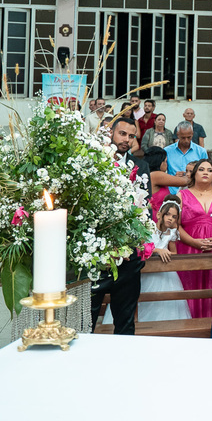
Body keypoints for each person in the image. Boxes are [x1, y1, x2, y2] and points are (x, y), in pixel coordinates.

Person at [89, 117, 148, 334]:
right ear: (111, 133)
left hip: (128, 260)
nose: (127, 140)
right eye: (122, 134)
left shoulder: (142, 166)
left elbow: (145, 208)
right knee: (88, 320)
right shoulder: (94, 161)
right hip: (97, 257)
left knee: (125, 323)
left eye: (131, 136)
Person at [103, 197, 190, 324]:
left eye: (174, 217)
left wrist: (166, 252)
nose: (170, 218)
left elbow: (174, 252)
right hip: (145, 270)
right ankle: (136, 321)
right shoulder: (149, 229)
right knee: (138, 295)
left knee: (163, 303)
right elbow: (140, 248)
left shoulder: (171, 233)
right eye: (167, 214)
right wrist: (158, 250)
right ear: (159, 214)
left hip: (164, 273)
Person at [175, 159, 212, 318]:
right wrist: (193, 242)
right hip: (189, 248)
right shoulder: (182, 195)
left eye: (210, 170)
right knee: (190, 287)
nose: (206, 172)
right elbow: (175, 225)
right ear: (194, 173)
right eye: (201, 169)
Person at [165, 123, 208, 194]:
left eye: (189, 137)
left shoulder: (201, 152)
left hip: (195, 193)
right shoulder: (167, 151)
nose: (186, 141)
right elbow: (161, 173)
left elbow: (207, 174)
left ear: (192, 134)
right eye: (183, 138)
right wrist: (174, 178)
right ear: (177, 135)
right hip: (172, 193)